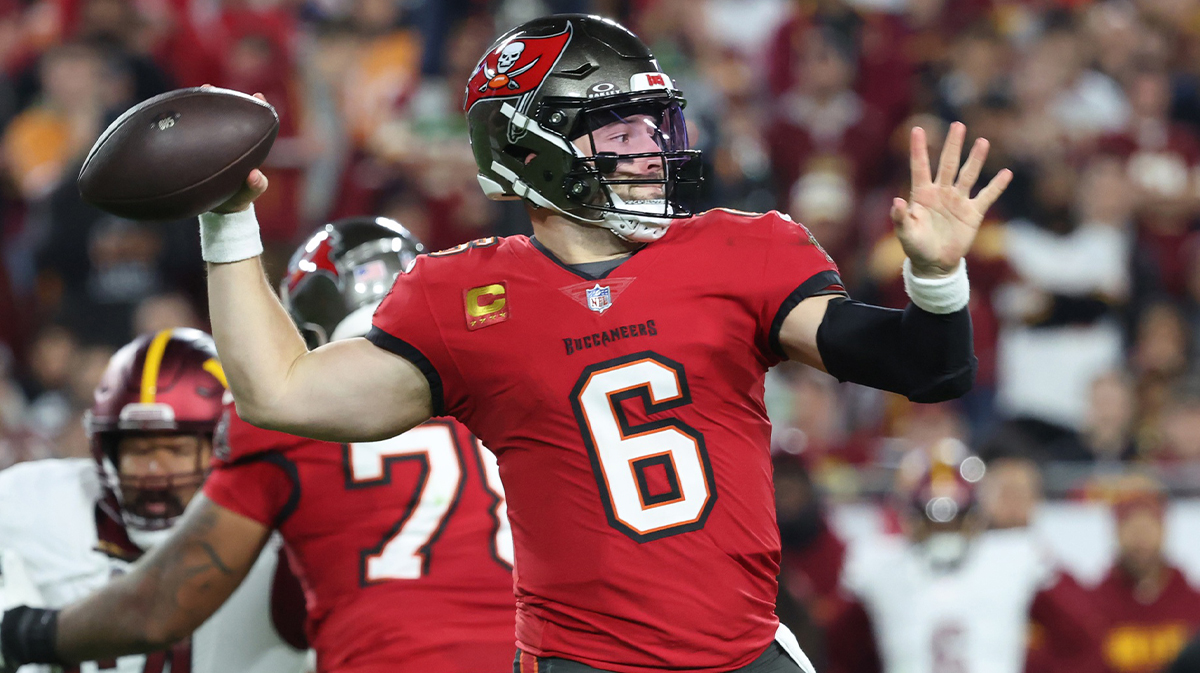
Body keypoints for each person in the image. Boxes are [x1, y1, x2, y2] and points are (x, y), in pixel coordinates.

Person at [4, 13, 1011, 673]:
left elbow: (930, 366)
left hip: (742, 653)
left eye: (652, 127)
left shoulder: (739, 249)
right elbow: (283, 394)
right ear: (532, 149)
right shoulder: (464, 293)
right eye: (618, 132)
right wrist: (230, 225)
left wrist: (935, 275)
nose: (652, 153)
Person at [0, 218, 518, 673]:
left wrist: (26, 634)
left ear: (306, 328)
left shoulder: (292, 419)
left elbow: (162, 607)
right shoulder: (504, 382)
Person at [0, 328, 309, 673]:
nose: (154, 471)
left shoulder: (282, 535)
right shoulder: (29, 502)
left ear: (223, 447)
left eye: (176, 450)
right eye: (139, 449)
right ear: (108, 451)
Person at [830, 446, 1099, 673]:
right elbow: (836, 649)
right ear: (909, 519)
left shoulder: (1014, 555)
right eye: (931, 522)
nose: (944, 535)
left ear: (975, 516)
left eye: (955, 520)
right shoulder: (880, 562)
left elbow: (1080, 637)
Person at [1089, 478, 1200, 673]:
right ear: (1117, 533)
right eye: (1132, 528)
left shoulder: (1192, 602)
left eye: (1148, 528)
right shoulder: (1091, 606)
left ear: (1163, 531)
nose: (1141, 539)